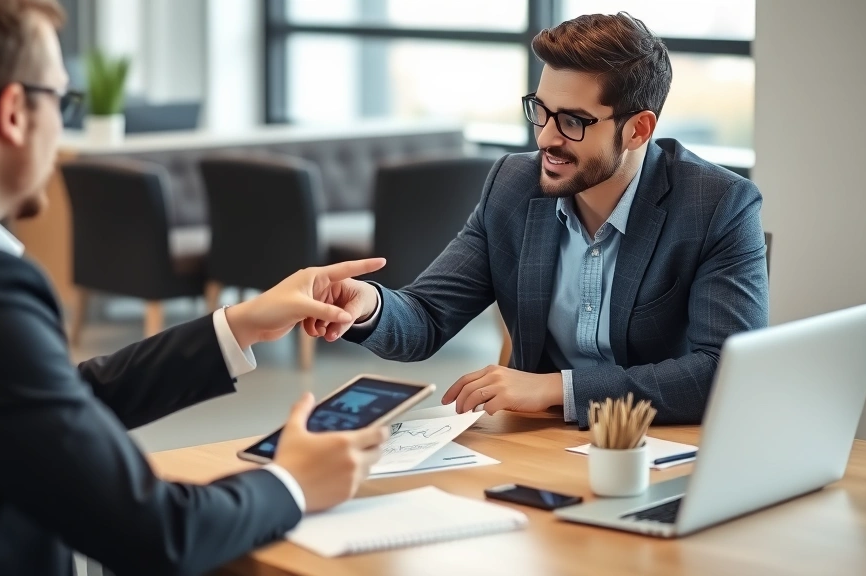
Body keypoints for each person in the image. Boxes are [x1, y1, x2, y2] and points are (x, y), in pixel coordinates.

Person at [0, 1, 388, 575]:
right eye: (62, 100)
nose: (62, 121)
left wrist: (238, 326)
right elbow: (155, 533)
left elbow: (44, 405)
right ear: (14, 112)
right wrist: (292, 483)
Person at [304, 12, 769, 429]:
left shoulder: (718, 205)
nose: (547, 137)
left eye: (573, 122)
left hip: (661, 448)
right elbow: (426, 318)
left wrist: (553, 389)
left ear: (638, 129)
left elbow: (722, 371)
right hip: (538, 441)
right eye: (541, 111)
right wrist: (368, 305)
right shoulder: (512, 184)